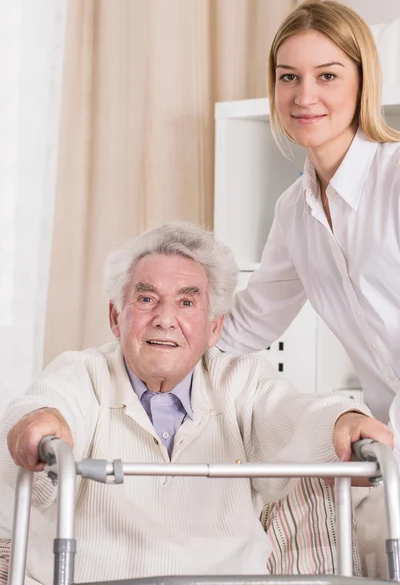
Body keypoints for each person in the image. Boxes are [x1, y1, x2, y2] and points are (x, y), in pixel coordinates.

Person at [0, 222, 392, 584]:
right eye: (147, 298)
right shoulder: (84, 373)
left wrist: (342, 421)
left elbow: (292, 416)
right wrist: (41, 423)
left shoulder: (240, 380)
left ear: (214, 327)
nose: (165, 319)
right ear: (116, 317)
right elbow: (48, 406)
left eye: (187, 303)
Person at [217, 0, 400, 426]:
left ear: (363, 82)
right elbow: (246, 326)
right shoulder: (295, 210)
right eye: (289, 77)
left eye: (328, 76)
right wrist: (151, 341)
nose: (304, 96)